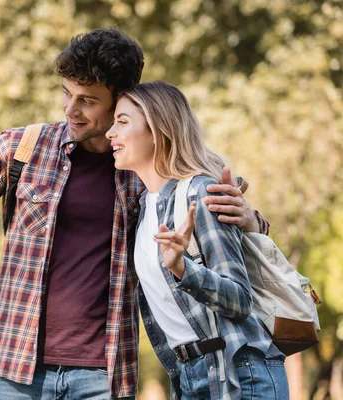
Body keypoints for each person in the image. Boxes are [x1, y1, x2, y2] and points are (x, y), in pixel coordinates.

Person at [0, 29, 267, 399]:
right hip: (15, 369)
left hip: (103, 375)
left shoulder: (147, 166)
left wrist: (249, 218)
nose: (71, 109)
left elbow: (236, 232)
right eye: (67, 93)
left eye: (88, 101)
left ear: (120, 100)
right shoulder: (23, 148)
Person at [105, 80, 288, 399]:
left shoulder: (201, 194)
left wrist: (182, 269)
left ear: (158, 129)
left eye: (122, 122)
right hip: (189, 375)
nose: (111, 133)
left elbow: (239, 301)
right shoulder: (144, 208)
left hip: (239, 373)